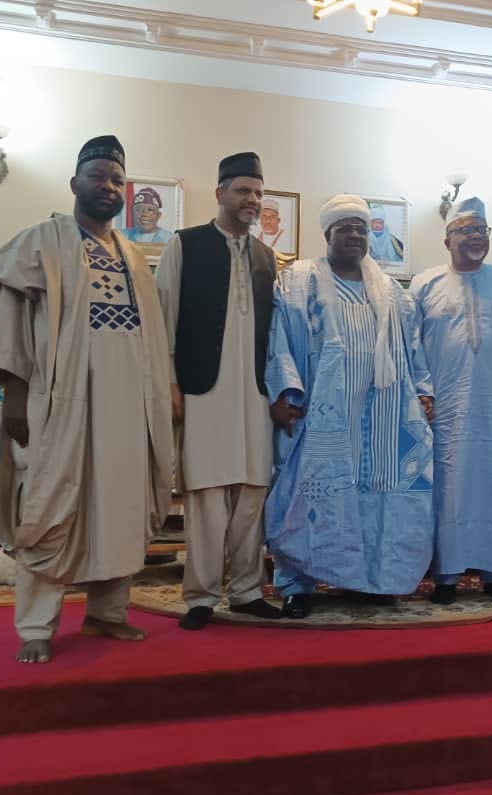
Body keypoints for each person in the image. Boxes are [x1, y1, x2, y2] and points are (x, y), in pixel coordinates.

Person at [0, 135, 174, 664]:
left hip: (127, 404)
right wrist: (16, 400)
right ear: (75, 184)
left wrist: (159, 400)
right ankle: (37, 625)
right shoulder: (41, 241)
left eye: (116, 179)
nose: (108, 186)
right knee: (51, 503)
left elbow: (151, 340)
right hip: (61, 402)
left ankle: (107, 613)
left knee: (120, 504)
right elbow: (13, 325)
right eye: (98, 176)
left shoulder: (135, 257)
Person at [265, 194, 435, 619]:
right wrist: (286, 392)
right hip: (323, 414)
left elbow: (413, 347)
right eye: (345, 229)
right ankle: (296, 584)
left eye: (361, 228)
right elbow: (279, 337)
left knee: (379, 496)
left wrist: (424, 390)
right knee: (309, 493)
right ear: (328, 235)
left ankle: (372, 581)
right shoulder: (300, 280)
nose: (355, 236)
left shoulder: (392, 291)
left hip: (382, 413)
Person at [156, 152, 283, 630]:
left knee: (253, 490)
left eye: (257, 192)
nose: (251, 200)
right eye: (242, 191)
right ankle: (201, 596)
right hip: (200, 387)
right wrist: (168, 381)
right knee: (206, 493)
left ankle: (248, 590)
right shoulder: (184, 245)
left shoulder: (267, 258)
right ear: (220, 194)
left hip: (254, 392)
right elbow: (163, 318)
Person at [411, 197, 492, 605]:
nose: (474, 237)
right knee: (449, 485)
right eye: (465, 230)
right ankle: (446, 575)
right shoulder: (424, 284)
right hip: (444, 406)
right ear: (447, 238)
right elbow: (411, 349)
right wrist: (421, 394)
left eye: (480, 230)